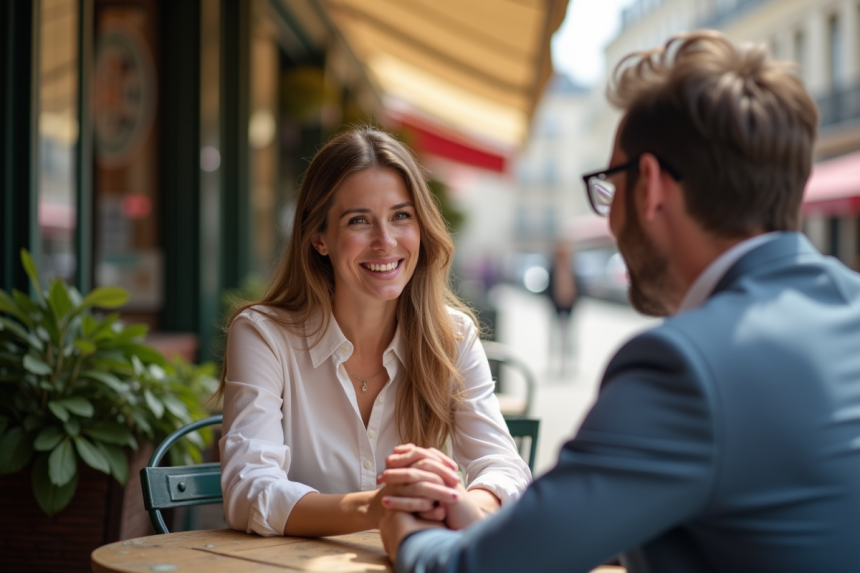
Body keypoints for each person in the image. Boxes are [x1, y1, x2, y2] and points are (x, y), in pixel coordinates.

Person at [379, 30, 860, 572]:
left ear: (649, 186)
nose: (609, 216)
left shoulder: (683, 367)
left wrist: (407, 531)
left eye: (610, 185)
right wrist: (496, 523)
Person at [217, 127, 531, 538]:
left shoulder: (451, 336)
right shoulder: (264, 336)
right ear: (319, 238)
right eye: (359, 221)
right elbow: (248, 489)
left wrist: (452, 501)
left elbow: (505, 468)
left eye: (401, 216)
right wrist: (378, 507)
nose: (386, 241)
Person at [546, 241, 578, 373]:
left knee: (568, 335)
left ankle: (568, 362)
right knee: (555, 334)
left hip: (569, 304)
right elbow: (549, 287)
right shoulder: (553, 267)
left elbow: (577, 286)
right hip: (557, 304)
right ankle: (553, 361)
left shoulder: (571, 266)